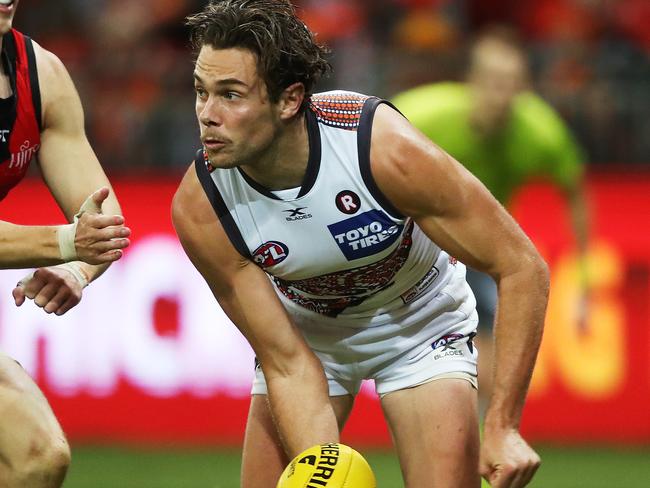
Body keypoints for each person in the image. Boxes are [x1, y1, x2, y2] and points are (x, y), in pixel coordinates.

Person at [172, 2, 548, 487]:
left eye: (231, 95)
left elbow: (521, 266)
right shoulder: (201, 208)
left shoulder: (380, 149)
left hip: (419, 323)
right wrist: (321, 467)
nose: (207, 115)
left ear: (289, 100)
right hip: (307, 334)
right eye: (201, 92)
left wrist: (502, 426)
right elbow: (286, 362)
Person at [392, 26, 589, 405]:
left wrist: (582, 281)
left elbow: (576, 191)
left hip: (482, 241)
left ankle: (491, 430)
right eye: (493, 81)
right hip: (412, 234)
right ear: (471, 81)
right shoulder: (423, 113)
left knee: (496, 334)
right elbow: (361, 143)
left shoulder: (541, 132)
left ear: (524, 88)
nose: (501, 94)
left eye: (512, 84)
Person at [0, 1, 130, 486]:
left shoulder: (42, 76)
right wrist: (64, 242)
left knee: (38, 459)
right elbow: (74, 234)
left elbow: (100, 214)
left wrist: (78, 268)